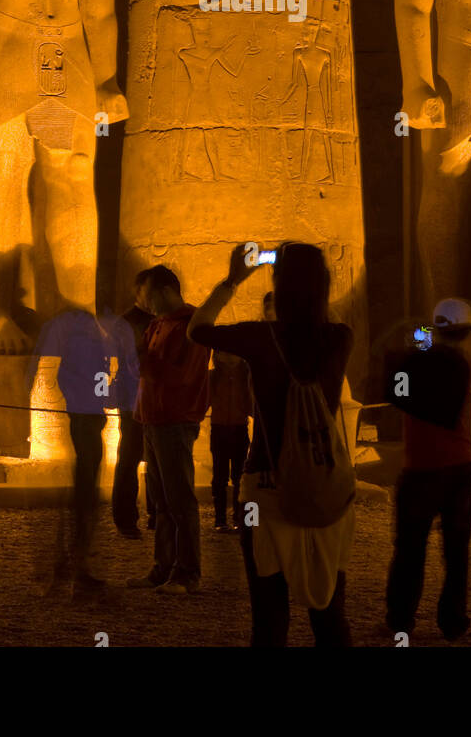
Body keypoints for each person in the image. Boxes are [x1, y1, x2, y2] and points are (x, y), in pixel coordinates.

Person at [189, 242, 354, 648]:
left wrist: (232, 280)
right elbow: (316, 324)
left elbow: (197, 330)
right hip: (326, 484)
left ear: (278, 288)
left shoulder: (259, 337)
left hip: (264, 485)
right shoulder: (340, 337)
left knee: (269, 616)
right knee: (330, 612)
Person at [384, 299, 471, 642]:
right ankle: (452, 619)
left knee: (410, 548)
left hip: (422, 467)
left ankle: (400, 617)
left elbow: (395, 391)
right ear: (465, 331)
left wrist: (411, 351)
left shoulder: (418, 360)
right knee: (456, 551)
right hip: (457, 464)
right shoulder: (462, 365)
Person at [32, 306, 138, 596]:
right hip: (86, 421)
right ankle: (75, 571)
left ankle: (70, 569)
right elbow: (87, 384)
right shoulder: (88, 348)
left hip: (87, 420)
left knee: (84, 494)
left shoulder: (86, 347)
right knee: (84, 497)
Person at [127, 266, 210, 595]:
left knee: (179, 499)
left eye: (143, 293)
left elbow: (182, 377)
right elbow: (146, 369)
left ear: (163, 290)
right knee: (161, 501)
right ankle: (163, 568)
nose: (141, 302)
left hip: (175, 419)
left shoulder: (192, 327)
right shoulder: (157, 325)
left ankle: (187, 572)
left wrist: (142, 360)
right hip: (152, 419)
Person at [112, 270, 156, 538]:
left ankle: (154, 514)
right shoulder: (126, 323)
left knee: (154, 458)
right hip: (132, 398)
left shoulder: (155, 319)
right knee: (129, 458)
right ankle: (126, 519)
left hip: (151, 396)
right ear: (138, 291)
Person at [209, 351, 252, 532]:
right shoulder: (243, 376)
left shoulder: (244, 376)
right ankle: (234, 520)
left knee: (235, 477)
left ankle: (237, 519)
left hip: (229, 427)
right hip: (227, 428)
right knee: (225, 477)